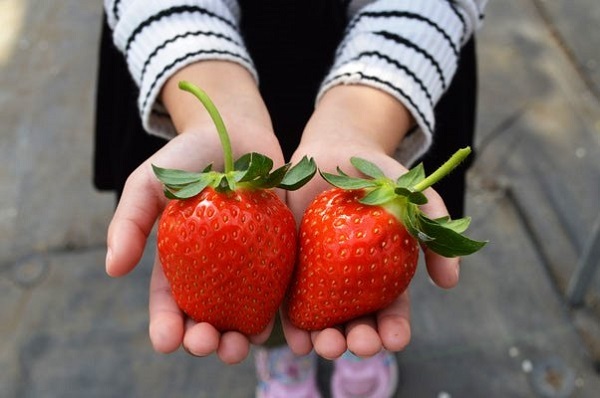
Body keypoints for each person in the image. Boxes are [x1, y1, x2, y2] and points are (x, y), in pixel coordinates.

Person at [95, 1, 487, 397]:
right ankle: (280, 347)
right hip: (203, 63)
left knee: (364, 244)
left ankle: (345, 332)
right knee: (276, 274)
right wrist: (208, 80)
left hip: (392, 84)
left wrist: (363, 116)